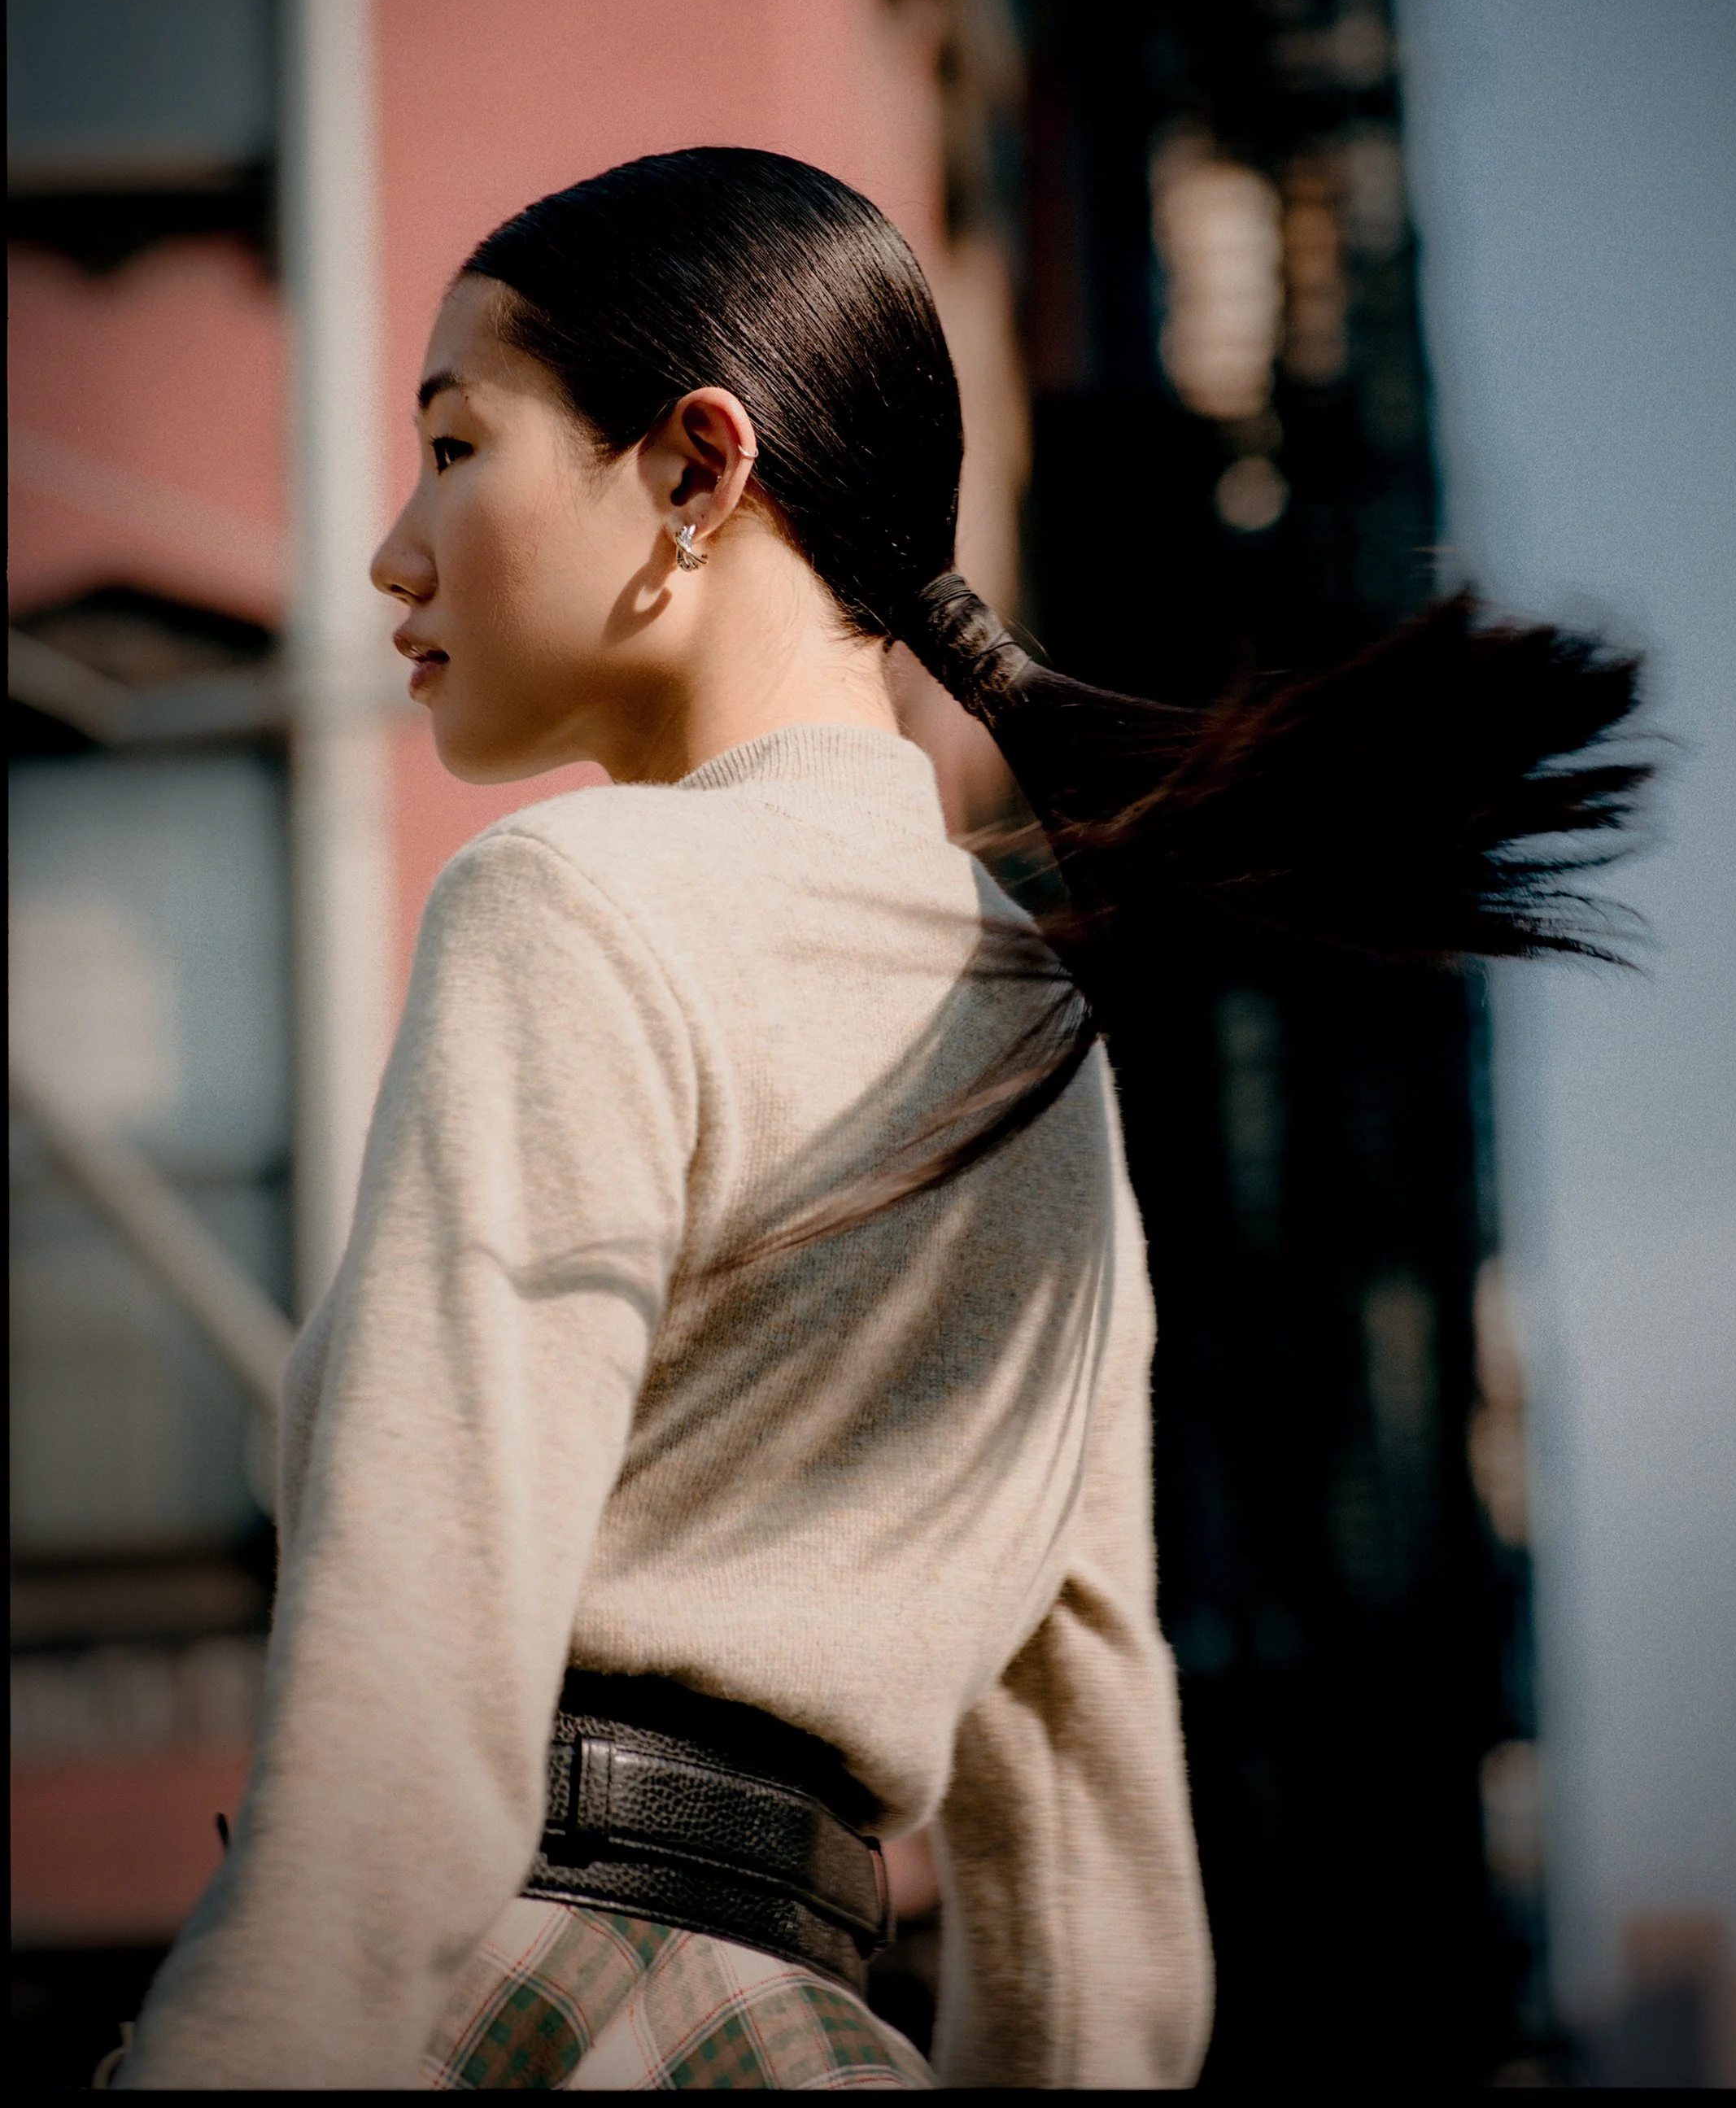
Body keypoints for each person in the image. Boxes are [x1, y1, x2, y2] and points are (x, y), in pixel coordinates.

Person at [115, 149, 1645, 2091]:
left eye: (452, 442)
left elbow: (412, 1691)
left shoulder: (564, 905)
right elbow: (1094, 1887)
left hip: (509, 2005)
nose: (393, 548)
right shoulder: (1041, 1046)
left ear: (693, 468)